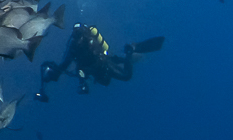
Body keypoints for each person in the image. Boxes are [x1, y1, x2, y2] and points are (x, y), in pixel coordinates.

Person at [35, 23, 163, 99]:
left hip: (103, 64)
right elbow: (64, 64)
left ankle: (131, 50)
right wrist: (53, 74)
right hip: (96, 70)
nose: (78, 40)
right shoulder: (73, 47)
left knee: (126, 75)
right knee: (119, 72)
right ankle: (130, 54)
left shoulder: (90, 41)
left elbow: (102, 56)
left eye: (79, 37)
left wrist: (84, 72)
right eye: (76, 37)